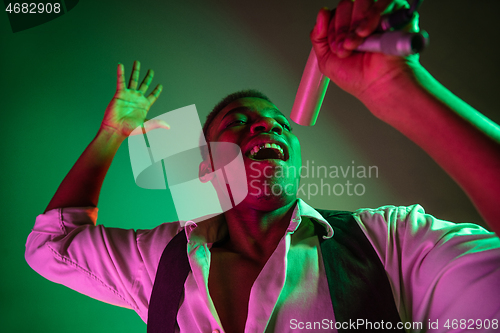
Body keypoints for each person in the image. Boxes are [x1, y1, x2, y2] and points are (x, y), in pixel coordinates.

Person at [26, 1, 500, 332]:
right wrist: (114, 134)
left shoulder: (391, 245)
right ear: (207, 166)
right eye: (239, 122)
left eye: (279, 125)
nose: (266, 128)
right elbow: (50, 244)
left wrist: (397, 88)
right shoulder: (161, 261)